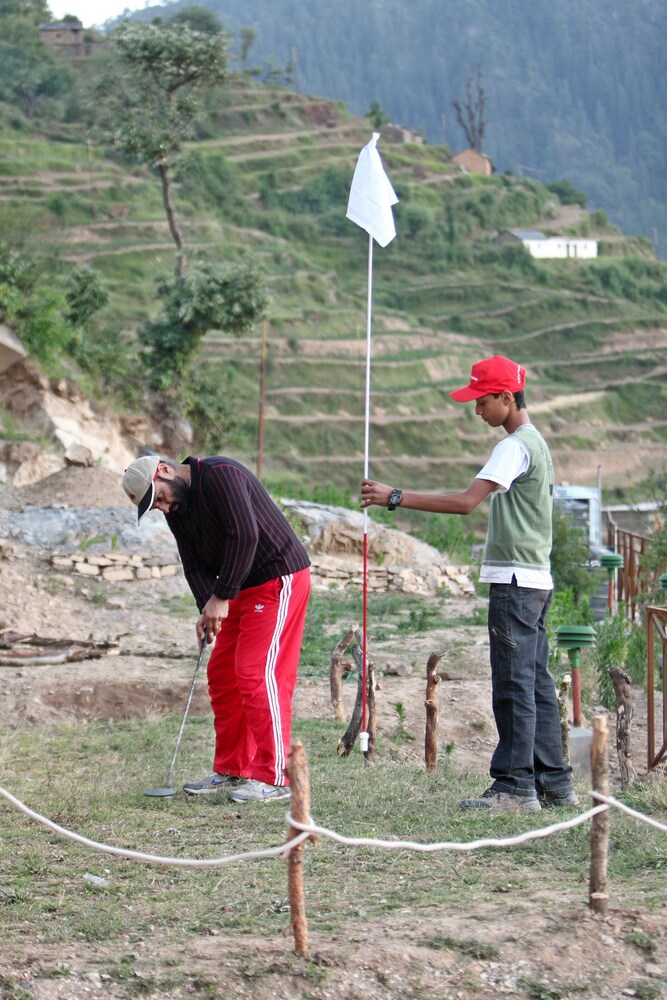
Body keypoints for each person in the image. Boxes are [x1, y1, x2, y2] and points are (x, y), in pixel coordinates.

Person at [360, 355, 578, 814]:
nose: (477, 411)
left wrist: (394, 496)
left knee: (513, 683)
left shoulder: (513, 446)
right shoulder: (537, 443)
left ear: (506, 397)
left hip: (515, 581)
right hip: (536, 578)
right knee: (536, 682)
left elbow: (465, 503)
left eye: (482, 401)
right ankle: (554, 784)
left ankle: (514, 787)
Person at [122, 454, 311, 804]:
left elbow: (245, 536)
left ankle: (276, 776)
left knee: (256, 672)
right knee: (222, 673)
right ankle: (233, 768)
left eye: (159, 497)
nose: (162, 507)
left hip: (277, 577)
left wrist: (220, 597)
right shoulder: (178, 510)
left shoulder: (222, 474)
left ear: (164, 471)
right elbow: (193, 564)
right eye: (154, 506)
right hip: (237, 588)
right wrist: (206, 609)